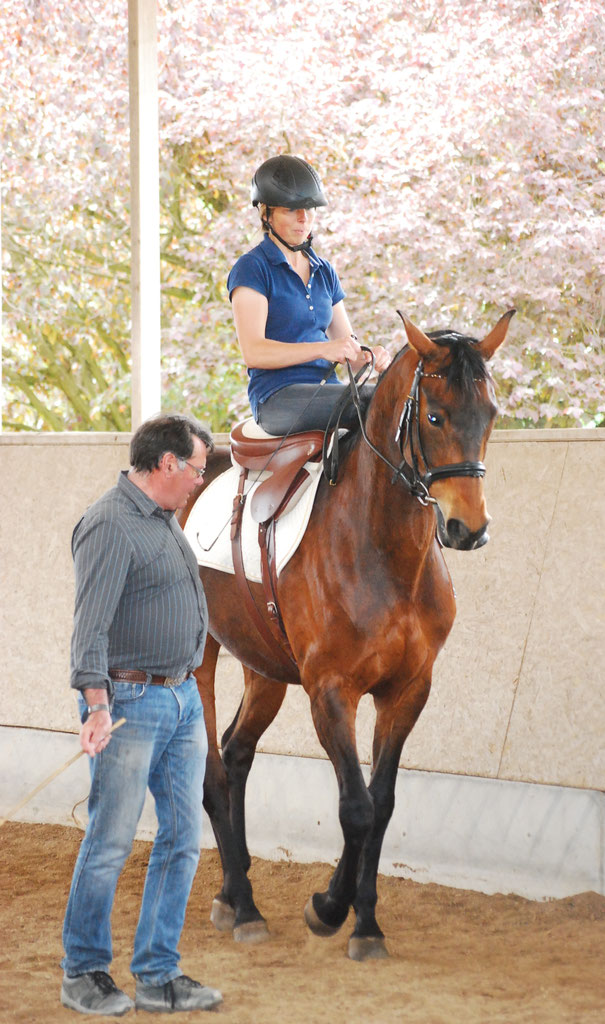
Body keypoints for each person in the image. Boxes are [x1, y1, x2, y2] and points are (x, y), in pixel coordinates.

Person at [60, 414, 223, 1017]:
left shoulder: (164, 521)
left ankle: (158, 974)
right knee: (111, 840)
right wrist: (96, 706)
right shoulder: (108, 525)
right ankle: (83, 972)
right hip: (129, 703)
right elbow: (90, 629)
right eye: (197, 469)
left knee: (182, 837)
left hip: (181, 700)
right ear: (166, 464)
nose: (199, 481)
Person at [227, 153, 392, 435]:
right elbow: (253, 352)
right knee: (378, 402)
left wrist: (369, 357)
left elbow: (347, 348)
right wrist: (324, 349)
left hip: (332, 392)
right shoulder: (252, 268)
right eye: (292, 210)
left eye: (311, 209)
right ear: (265, 212)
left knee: (401, 398)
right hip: (277, 398)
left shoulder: (324, 270)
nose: (304, 219)